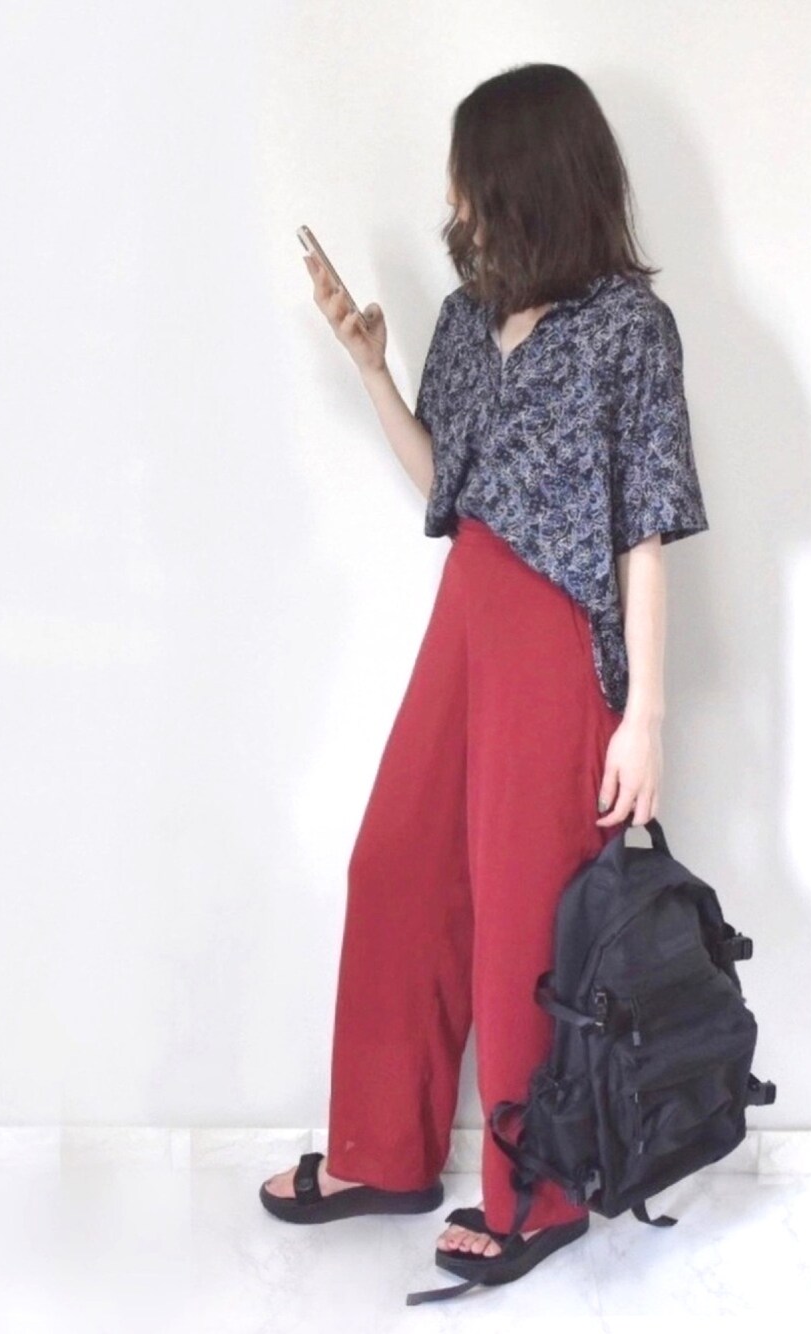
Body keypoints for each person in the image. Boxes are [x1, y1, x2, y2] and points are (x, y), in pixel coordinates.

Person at [259, 62, 709, 1294]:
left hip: (559, 643)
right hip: (463, 618)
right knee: (395, 866)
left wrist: (644, 715)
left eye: (467, 172)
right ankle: (381, 1152)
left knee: (525, 916)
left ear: (522, 172)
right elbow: (445, 485)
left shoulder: (629, 329)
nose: (453, 196)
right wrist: (369, 366)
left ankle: (536, 1197)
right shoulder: (468, 320)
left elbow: (644, 530)